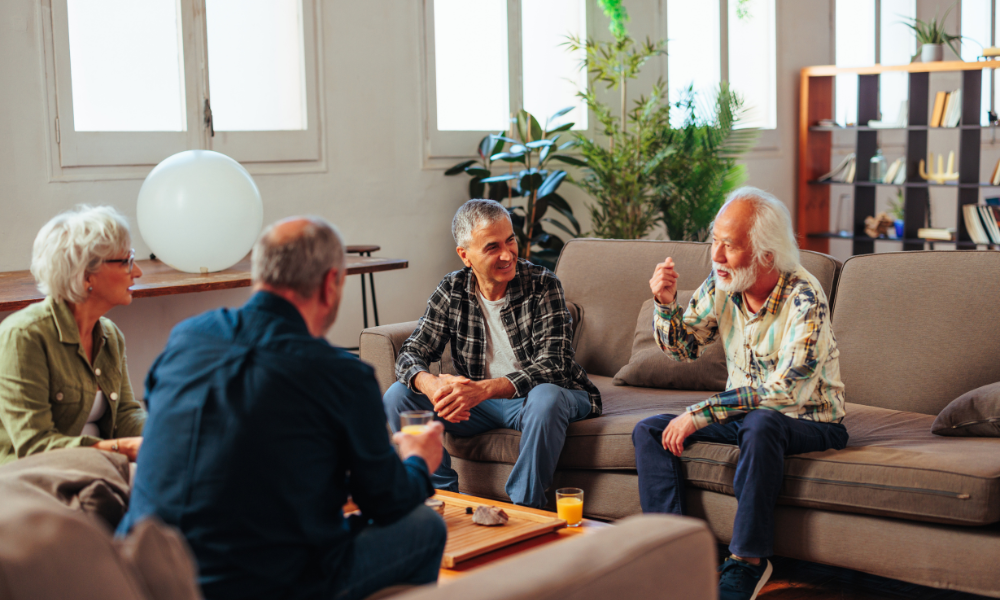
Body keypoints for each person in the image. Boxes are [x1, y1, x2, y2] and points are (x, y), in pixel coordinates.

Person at [117, 217, 447, 600]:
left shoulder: (187, 337)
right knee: (424, 527)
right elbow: (388, 503)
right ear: (331, 283)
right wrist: (418, 461)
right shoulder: (342, 375)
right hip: (261, 585)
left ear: (260, 275)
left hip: (143, 575)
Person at [632, 187, 849, 600]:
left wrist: (699, 413)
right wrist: (664, 303)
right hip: (744, 418)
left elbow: (787, 391)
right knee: (650, 431)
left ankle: (748, 561)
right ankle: (673, 555)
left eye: (729, 245)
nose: (715, 255)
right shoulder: (723, 282)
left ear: (766, 254)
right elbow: (684, 349)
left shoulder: (805, 297)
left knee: (762, 423)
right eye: (715, 240)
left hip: (812, 421)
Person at [383, 199, 601, 509]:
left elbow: (555, 365)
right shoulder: (452, 289)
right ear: (465, 255)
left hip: (537, 399)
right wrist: (432, 385)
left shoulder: (543, 285)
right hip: (480, 406)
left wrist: (482, 390)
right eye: (492, 247)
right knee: (397, 396)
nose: (507, 254)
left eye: (510, 240)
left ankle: (526, 507)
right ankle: (442, 498)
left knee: (547, 396)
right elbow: (411, 352)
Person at [0, 205, 146, 465]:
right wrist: (121, 449)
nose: (137, 272)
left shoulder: (111, 336)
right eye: (126, 261)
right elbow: (35, 447)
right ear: (86, 274)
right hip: (35, 478)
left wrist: (170, 432)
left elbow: (125, 415)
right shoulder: (23, 337)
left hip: (99, 469)